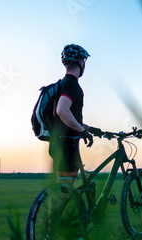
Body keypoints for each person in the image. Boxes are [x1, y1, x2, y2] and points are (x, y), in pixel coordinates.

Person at [49, 44, 103, 187]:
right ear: (80, 62)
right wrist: (82, 131)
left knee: (62, 190)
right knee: (64, 192)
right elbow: (62, 111)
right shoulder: (72, 85)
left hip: (60, 142)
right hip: (67, 145)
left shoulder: (62, 84)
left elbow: (68, 117)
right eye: (84, 61)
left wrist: (90, 129)